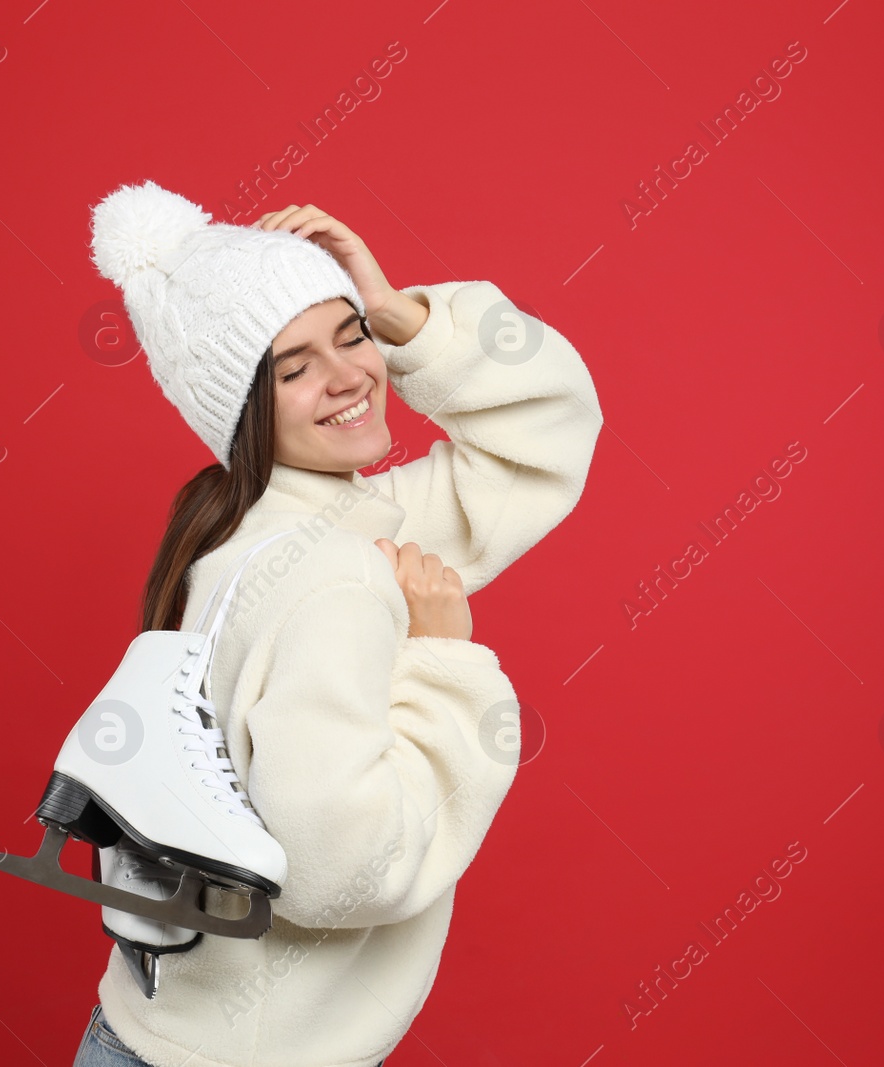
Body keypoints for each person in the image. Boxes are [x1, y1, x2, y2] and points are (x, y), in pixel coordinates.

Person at [71, 180, 604, 1067]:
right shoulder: (338, 575)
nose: (351, 374)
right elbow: (344, 869)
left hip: (157, 1035)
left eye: (351, 333)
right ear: (244, 409)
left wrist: (398, 311)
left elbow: (547, 432)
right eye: (295, 367)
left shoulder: (243, 524)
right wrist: (444, 661)